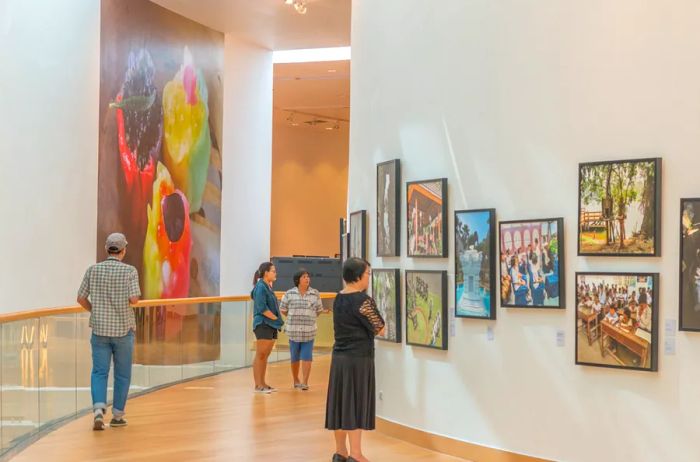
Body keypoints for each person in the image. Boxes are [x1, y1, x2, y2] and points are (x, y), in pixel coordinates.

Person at [77, 233, 141, 431]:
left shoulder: (93, 270)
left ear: (107, 249)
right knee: (122, 374)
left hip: (100, 331)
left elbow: (80, 298)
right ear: (123, 250)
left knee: (99, 371)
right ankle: (118, 416)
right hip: (123, 330)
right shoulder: (130, 271)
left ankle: (98, 410)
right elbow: (134, 299)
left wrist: (94, 310)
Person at [326, 258, 385, 462]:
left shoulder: (339, 298)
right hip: (359, 359)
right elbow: (380, 327)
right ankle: (356, 454)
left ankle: (340, 451)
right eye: (368, 273)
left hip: (339, 358)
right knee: (355, 404)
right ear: (358, 276)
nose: (369, 277)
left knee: (341, 403)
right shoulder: (363, 301)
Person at [280, 269, 326, 390]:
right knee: (294, 357)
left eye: (308, 277)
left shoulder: (315, 293)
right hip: (293, 331)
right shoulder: (289, 293)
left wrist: (308, 317)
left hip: (309, 331)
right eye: (304, 277)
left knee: (307, 357)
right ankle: (296, 380)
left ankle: (305, 382)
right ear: (298, 280)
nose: (307, 279)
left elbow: (319, 310)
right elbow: (283, 309)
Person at [251, 262, 283, 394]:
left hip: (271, 325)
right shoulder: (260, 287)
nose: (275, 273)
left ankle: (263, 383)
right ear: (266, 273)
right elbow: (262, 308)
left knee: (265, 355)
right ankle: (258, 385)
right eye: (273, 271)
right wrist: (276, 319)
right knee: (261, 354)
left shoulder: (268, 287)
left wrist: (276, 320)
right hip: (263, 323)